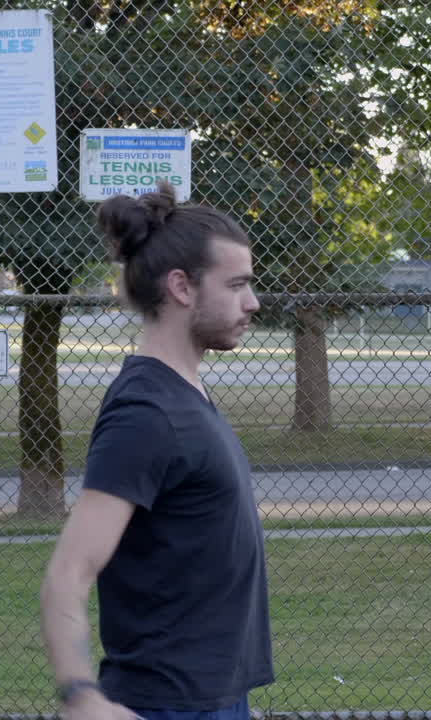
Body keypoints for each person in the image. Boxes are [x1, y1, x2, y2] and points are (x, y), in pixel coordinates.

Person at [40, 181, 272, 720]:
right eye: (237, 285)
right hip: (164, 707)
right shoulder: (146, 413)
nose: (253, 302)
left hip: (212, 702)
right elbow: (67, 574)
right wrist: (82, 697)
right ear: (181, 288)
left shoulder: (184, 393)